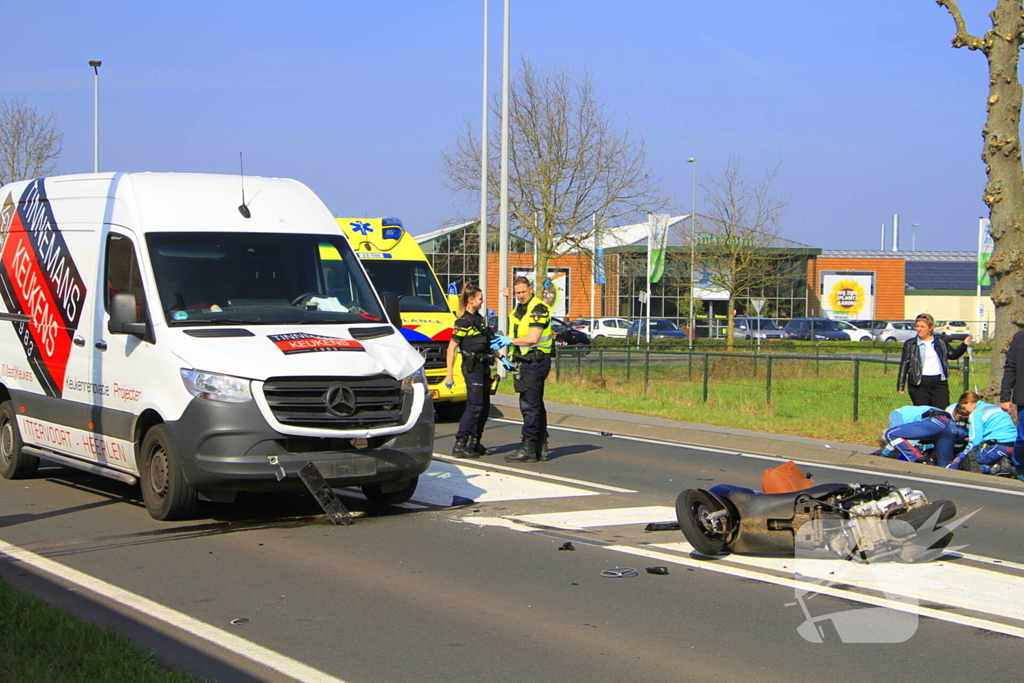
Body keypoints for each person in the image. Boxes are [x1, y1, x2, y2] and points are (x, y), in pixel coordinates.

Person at [495, 276, 554, 463]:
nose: (520, 295)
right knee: (535, 404)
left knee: (529, 405)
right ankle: (540, 446)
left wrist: (509, 341)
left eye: (523, 292)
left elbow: (533, 338)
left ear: (530, 289)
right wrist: (508, 357)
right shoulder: (520, 310)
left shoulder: (538, 308)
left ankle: (528, 447)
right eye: (517, 293)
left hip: (536, 360)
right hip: (526, 361)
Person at [444, 283, 498, 458]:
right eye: (480, 299)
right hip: (472, 367)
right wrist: (449, 374)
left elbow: (490, 343)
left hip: (484, 367)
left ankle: (475, 442)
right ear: (471, 299)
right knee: (474, 406)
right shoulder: (463, 321)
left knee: (484, 407)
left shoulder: (479, 320)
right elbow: (451, 348)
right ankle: (460, 444)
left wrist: (503, 359)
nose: (482, 302)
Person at [897, 313, 972, 408]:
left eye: (922, 327)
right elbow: (905, 364)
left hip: (939, 382)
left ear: (930, 328)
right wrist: (901, 385)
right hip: (919, 383)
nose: (919, 329)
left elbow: (952, 355)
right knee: (924, 413)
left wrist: (964, 344)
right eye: (917, 326)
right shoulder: (910, 344)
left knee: (942, 412)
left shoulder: (940, 341)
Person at [945, 391, 1016, 476]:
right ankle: (1005, 465)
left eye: (963, 407)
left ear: (969, 402)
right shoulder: (995, 407)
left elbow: (976, 441)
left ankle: (995, 468)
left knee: (967, 462)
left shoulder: (976, 414)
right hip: (1014, 447)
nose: (965, 412)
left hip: (998, 446)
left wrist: (962, 457)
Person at [877, 404, 961, 466]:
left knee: (892, 436)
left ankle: (915, 456)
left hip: (929, 418)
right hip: (939, 420)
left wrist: (883, 456)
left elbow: (893, 439)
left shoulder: (896, 415)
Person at [999, 329, 1024, 482]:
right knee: (1022, 438)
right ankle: (1019, 465)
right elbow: (1010, 368)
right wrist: (1005, 396)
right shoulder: (1020, 338)